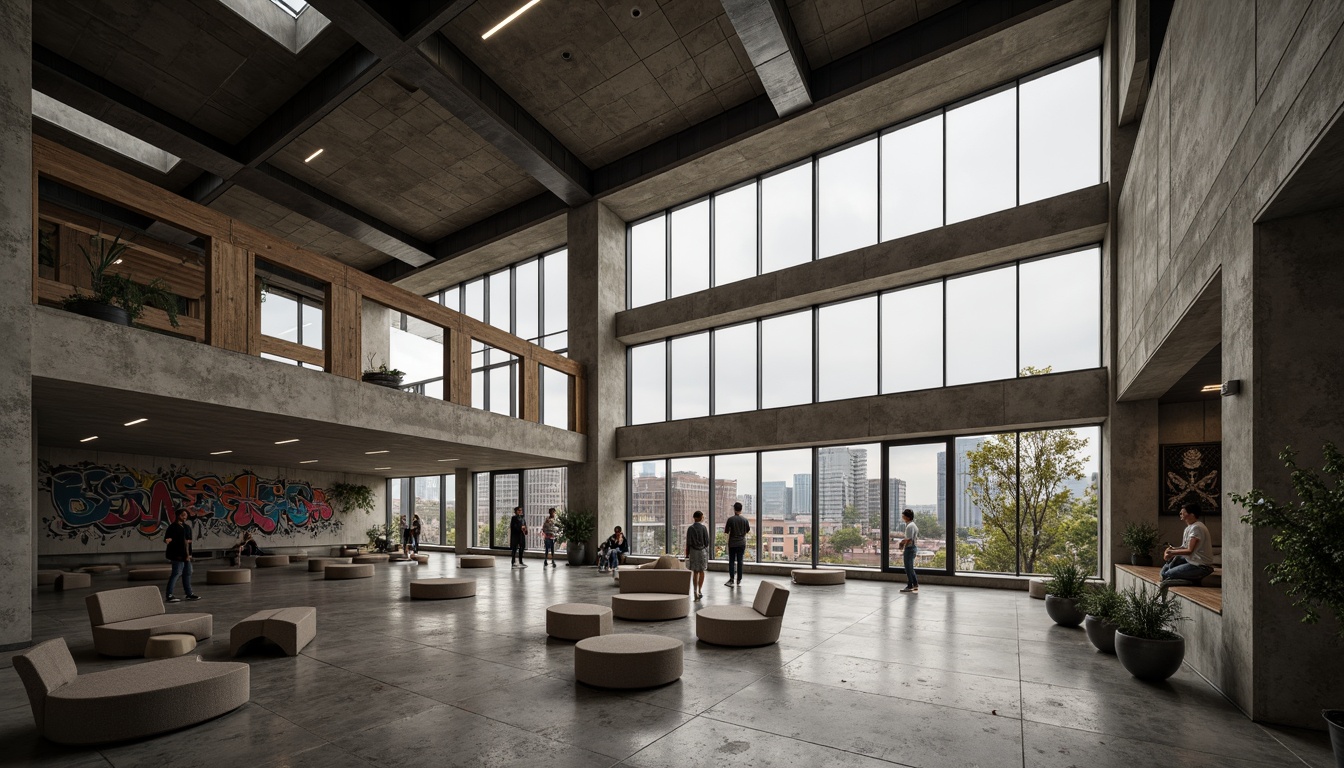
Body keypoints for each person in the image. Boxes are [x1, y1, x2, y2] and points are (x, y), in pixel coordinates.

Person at [1161, 503, 1215, 588]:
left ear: (1192, 515)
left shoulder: (1197, 527)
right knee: (1165, 572)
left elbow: (1189, 551)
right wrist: (1170, 550)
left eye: (1183, 512)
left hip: (1200, 566)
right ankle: (1185, 578)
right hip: (1191, 560)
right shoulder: (1189, 528)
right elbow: (1184, 547)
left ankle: (1191, 581)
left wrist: (1172, 552)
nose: (1180, 514)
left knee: (1166, 574)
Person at [164, 508, 200, 603]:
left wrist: (190, 554)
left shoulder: (187, 527)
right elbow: (167, 539)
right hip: (177, 555)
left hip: (186, 555)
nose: (185, 517)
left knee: (188, 573)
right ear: (178, 515)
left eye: (186, 515)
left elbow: (189, 542)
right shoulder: (173, 527)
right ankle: (169, 595)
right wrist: (171, 541)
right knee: (176, 573)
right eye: (183, 515)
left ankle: (189, 594)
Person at [684, 510, 710, 600]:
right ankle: (700, 590)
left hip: (693, 552)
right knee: (702, 571)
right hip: (702, 552)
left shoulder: (690, 528)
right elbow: (707, 542)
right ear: (700, 518)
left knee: (695, 572)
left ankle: (695, 591)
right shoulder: (703, 528)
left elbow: (688, 542)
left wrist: (687, 554)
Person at [724, 502, 750, 588]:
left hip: (732, 543)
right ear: (741, 510)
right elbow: (747, 530)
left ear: (734, 509)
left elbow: (726, 531)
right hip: (741, 543)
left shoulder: (730, 519)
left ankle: (731, 578)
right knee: (740, 561)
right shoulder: (745, 520)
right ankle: (739, 579)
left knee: (731, 561)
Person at [898, 509, 919, 593]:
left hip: (910, 548)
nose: (902, 517)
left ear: (907, 516)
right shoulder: (912, 525)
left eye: (903, 515)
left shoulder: (910, 526)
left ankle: (910, 585)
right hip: (912, 548)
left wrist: (902, 544)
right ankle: (915, 584)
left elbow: (909, 539)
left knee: (908, 568)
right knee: (910, 568)